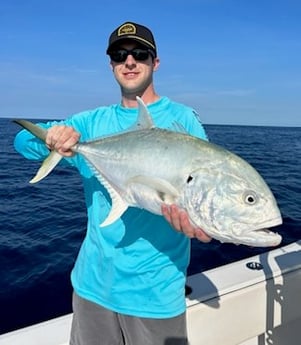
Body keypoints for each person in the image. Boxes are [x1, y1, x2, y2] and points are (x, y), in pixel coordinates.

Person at [14, 21, 211, 345]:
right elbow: (21, 141)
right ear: (112, 65)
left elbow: (202, 187)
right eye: (120, 55)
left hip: (155, 295)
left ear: (155, 62)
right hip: (93, 288)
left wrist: (199, 222)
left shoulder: (183, 119)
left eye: (139, 54)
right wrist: (52, 139)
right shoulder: (91, 122)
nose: (129, 61)